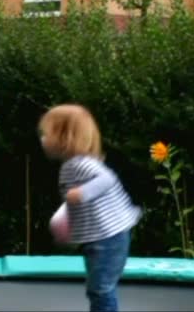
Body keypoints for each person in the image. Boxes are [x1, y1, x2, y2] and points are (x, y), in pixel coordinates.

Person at [38, 104, 142, 312]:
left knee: (101, 289)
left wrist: (82, 193)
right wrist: (65, 227)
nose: (42, 139)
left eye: (46, 133)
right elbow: (73, 204)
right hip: (100, 238)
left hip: (108, 238)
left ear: (65, 137)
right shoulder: (72, 165)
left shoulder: (80, 164)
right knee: (98, 288)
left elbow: (106, 179)